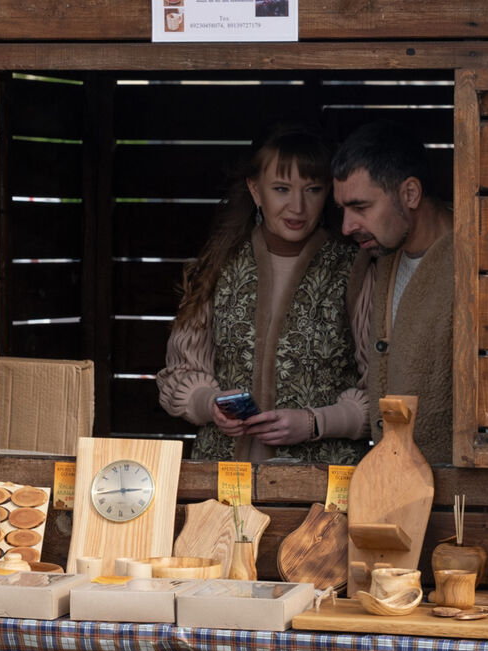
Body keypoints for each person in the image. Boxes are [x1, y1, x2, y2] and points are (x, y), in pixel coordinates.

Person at [156, 121, 372, 464]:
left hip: (321, 481)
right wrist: (210, 405)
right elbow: (179, 375)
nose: (298, 207)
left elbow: (381, 387)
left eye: (313, 189)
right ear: (256, 190)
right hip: (223, 477)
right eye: (282, 189)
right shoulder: (220, 263)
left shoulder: (354, 269)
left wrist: (315, 423)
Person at [332, 119, 454, 463]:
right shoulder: (380, 258)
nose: (346, 227)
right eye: (343, 209)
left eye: (361, 207)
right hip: (394, 481)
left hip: (459, 493)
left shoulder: (472, 263)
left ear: (410, 193)